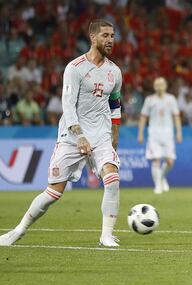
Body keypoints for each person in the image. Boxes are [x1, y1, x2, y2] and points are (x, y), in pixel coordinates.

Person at [0, 19, 123, 247]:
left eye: (112, 35)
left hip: (102, 136)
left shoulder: (114, 72)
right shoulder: (75, 68)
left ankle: (106, 235)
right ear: (93, 37)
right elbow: (67, 105)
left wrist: (115, 134)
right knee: (53, 192)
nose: (110, 40)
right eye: (105, 35)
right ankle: (17, 231)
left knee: (112, 178)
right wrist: (80, 135)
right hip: (72, 136)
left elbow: (115, 105)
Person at [138, 77, 182, 194]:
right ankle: (157, 185)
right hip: (154, 133)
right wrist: (140, 134)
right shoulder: (149, 100)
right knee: (156, 159)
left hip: (168, 133)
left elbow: (176, 116)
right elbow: (143, 117)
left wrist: (179, 132)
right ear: (154, 86)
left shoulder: (171, 99)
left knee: (170, 161)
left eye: (161, 84)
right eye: (157, 84)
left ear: (165, 85)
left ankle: (161, 178)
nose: (159, 86)